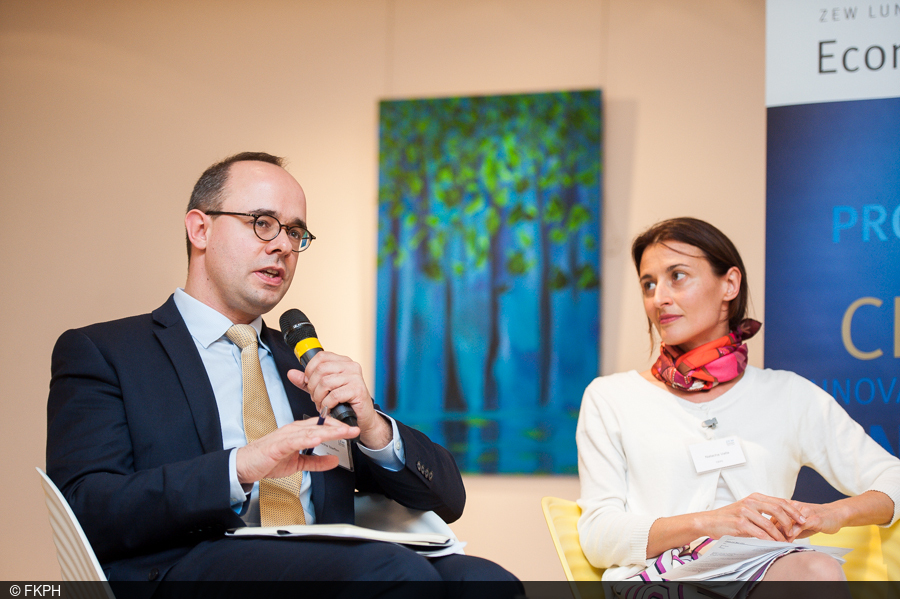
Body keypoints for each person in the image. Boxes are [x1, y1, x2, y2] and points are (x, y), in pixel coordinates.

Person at [46, 152, 521, 594]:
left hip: (333, 559)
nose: (283, 247)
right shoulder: (106, 352)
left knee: (485, 580)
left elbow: (448, 500)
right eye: (262, 224)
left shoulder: (305, 364)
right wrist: (240, 467)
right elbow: (87, 505)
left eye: (295, 233)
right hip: (186, 567)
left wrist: (374, 428)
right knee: (386, 571)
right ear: (200, 229)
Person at [576, 217, 900, 590]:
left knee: (817, 571)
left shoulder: (788, 394)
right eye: (648, 284)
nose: (658, 298)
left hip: (766, 573)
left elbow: (892, 480)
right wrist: (707, 522)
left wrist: (831, 514)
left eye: (677, 276)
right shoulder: (611, 397)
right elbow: (598, 535)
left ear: (729, 284)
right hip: (660, 581)